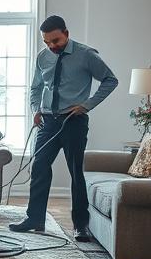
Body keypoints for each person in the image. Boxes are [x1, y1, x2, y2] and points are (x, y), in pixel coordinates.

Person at [11, 15, 118, 242]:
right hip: (47, 122)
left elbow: (110, 80)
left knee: (76, 173)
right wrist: (35, 110)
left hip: (73, 121)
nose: (52, 46)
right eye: (47, 42)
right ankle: (35, 218)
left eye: (56, 40)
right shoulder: (42, 57)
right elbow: (36, 88)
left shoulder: (87, 55)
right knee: (39, 168)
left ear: (66, 34)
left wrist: (87, 105)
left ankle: (81, 226)